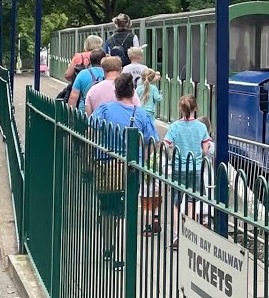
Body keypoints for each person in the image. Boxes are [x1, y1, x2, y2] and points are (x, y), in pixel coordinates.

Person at [90, 74, 162, 268]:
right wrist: (144, 159)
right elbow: (152, 142)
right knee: (126, 209)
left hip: (106, 165)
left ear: (116, 92)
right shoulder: (141, 115)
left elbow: (91, 129)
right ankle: (121, 253)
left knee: (107, 208)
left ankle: (107, 245)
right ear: (132, 92)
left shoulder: (104, 110)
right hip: (131, 168)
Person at [164, 94, 213, 249]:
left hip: (179, 169)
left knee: (177, 203)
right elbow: (206, 150)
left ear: (180, 108)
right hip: (196, 168)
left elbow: (166, 144)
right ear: (195, 108)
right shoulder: (201, 127)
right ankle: (189, 234)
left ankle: (176, 236)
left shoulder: (174, 127)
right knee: (192, 202)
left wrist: (173, 152)